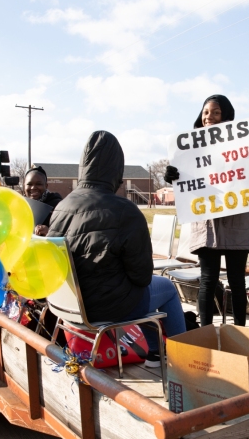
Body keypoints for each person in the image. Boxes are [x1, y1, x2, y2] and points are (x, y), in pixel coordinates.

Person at [47, 131, 186, 367]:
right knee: (167, 288)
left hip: (68, 307)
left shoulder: (62, 206)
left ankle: (154, 354)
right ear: (117, 169)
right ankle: (183, 360)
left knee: (136, 290)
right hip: (109, 308)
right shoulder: (125, 210)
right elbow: (141, 275)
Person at [164, 94, 249, 327]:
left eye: (216, 112)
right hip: (207, 223)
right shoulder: (188, 149)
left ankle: (239, 334)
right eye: (206, 112)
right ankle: (204, 333)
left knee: (237, 282)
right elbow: (185, 179)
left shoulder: (242, 142)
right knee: (207, 281)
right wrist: (173, 176)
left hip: (238, 220)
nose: (210, 117)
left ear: (226, 115)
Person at [23, 165, 63, 236]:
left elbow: (67, 232)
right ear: (24, 186)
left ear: (46, 186)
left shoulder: (58, 206)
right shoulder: (18, 205)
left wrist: (50, 232)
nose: (33, 187)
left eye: (39, 184)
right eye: (29, 184)